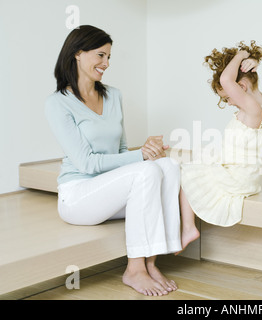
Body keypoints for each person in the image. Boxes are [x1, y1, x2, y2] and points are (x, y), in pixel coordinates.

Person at [45, 25, 181, 296]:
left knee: (167, 165)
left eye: (108, 57)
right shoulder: (57, 103)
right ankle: (134, 268)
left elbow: (120, 151)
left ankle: (150, 261)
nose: (106, 64)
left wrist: (149, 153)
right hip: (78, 197)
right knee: (145, 171)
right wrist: (140, 156)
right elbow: (86, 164)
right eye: (100, 56)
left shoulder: (114, 96)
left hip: (110, 192)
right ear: (77, 54)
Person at [178, 41, 262, 253]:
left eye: (228, 97)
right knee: (201, 160)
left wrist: (242, 54)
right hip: (246, 174)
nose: (229, 103)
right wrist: (251, 61)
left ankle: (188, 228)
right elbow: (235, 79)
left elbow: (226, 79)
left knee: (188, 174)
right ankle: (188, 227)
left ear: (241, 88)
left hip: (238, 179)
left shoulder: (252, 107)